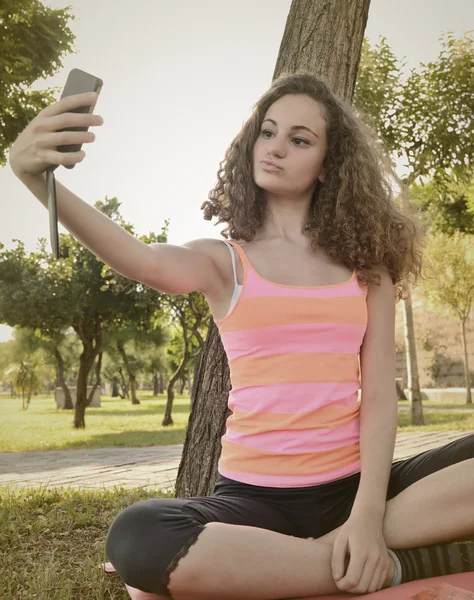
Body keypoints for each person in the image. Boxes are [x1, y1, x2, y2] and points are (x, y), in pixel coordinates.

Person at [9, 71, 474, 600]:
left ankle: (320, 556)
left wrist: (367, 517)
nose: (275, 148)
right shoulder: (222, 261)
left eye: (299, 140)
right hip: (253, 504)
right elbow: (137, 258)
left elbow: (379, 402)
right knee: (138, 537)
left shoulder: (368, 270)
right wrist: (34, 180)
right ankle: (385, 568)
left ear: (328, 166)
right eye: (268, 132)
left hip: (359, 491)